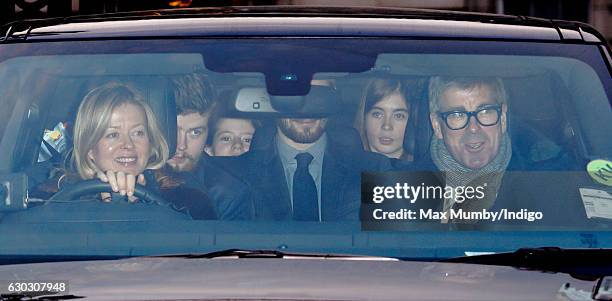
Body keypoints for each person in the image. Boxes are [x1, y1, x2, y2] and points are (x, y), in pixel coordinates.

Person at [227, 84, 391, 221]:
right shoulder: (233, 175)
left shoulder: (376, 170)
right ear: (273, 102)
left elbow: (399, 243)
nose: (307, 109)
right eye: (297, 95)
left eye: (319, 96)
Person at [69, 82, 169, 201]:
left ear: (150, 142)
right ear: (89, 148)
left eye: (138, 133)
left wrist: (143, 208)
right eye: (113, 135)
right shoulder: (58, 202)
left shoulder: (180, 200)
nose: (128, 144)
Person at [354, 78, 413, 163]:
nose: (387, 126)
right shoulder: (345, 170)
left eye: (398, 116)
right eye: (377, 114)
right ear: (364, 118)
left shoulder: (428, 171)